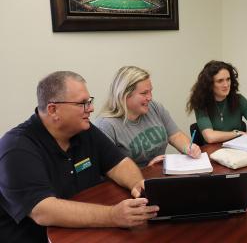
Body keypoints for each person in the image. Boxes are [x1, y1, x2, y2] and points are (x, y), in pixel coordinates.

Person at [0, 71, 158, 243]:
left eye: (89, 101)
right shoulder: (16, 148)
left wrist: (137, 184)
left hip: (84, 231)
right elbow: (43, 211)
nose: (91, 109)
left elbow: (119, 163)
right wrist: (113, 215)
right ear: (53, 110)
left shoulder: (84, 130)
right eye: (83, 103)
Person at [95, 66, 201, 167]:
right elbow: (111, 169)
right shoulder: (106, 125)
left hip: (160, 175)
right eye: (144, 93)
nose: (150, 97)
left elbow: (175, 135)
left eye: (150, 91)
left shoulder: (154, 107)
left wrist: (188, 148)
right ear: (124, 95)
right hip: (133, 182)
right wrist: (147, 169)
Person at [186, 60, 247, 144]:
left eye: (228, 79)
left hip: (238, 151)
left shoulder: (239, 100)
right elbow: (210, 137)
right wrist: (237, 133)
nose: (226, 85)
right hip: (213, 152)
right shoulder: (201, 103)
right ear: (209, 84)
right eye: (220, 81)